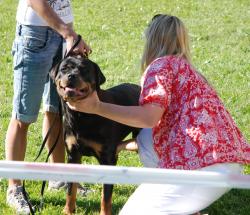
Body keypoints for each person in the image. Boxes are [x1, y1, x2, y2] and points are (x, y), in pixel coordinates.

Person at [67, 14, 250, 215]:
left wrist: (97, 107)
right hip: (228, 165)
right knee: (147, 136)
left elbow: (148, 118)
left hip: (200, 168)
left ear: (152, 39)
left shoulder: (160, 66)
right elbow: (152, 134)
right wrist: (121, 145)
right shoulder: (191, 71)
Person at [5, 0, 92, 214]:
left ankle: (58, 176)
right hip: (35, 34)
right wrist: (68, 32)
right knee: (22, 116)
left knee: (57, 110)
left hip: (63, 32)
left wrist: (69, 33)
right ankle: (14, 187)